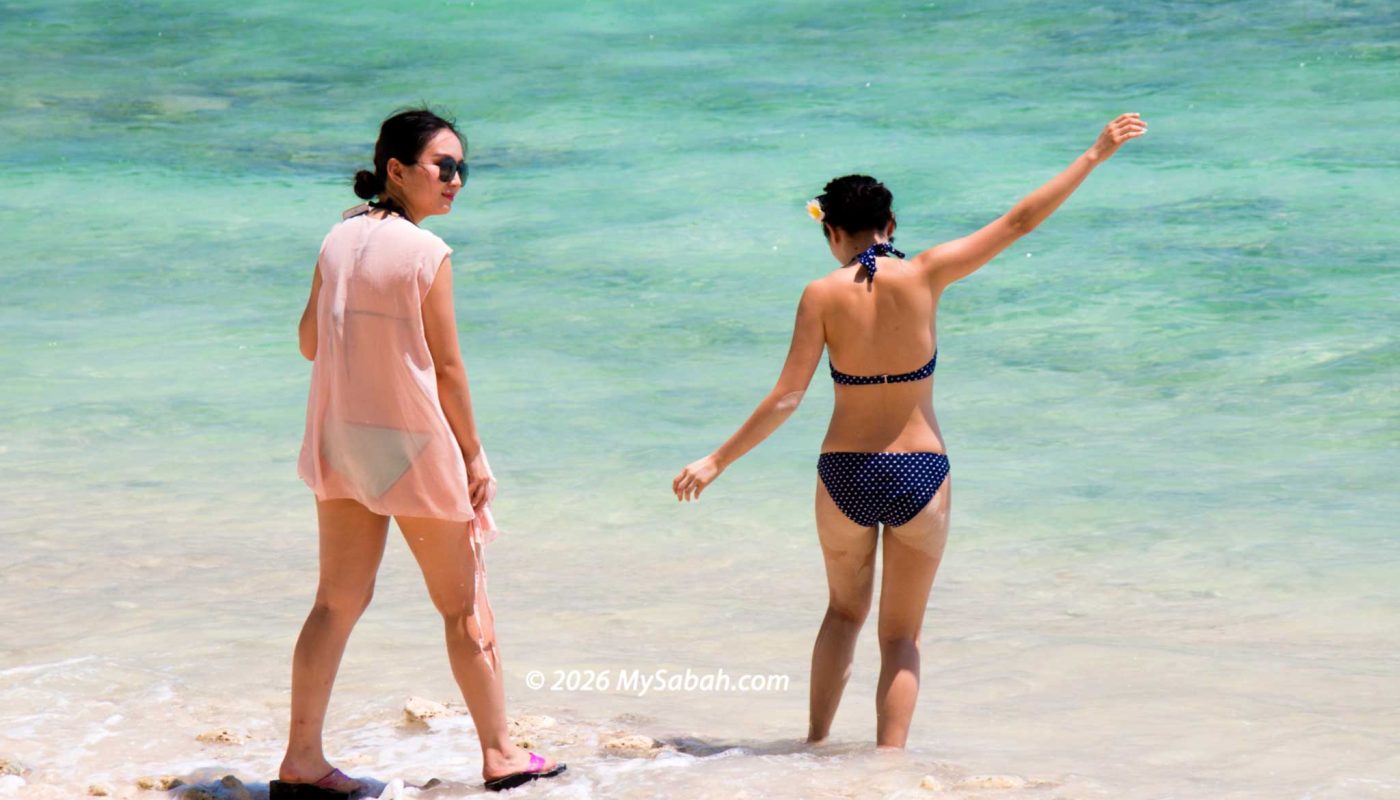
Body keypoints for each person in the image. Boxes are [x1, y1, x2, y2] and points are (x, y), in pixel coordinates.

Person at [672, 113, 1147, 748]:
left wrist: (716, 460)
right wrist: (1095, 153)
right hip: (921, 472)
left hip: (844, 473)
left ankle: (813, 748)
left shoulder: (820, 294)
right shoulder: (926, 273)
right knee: (901, 636)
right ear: (890, 226)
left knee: (842, 614)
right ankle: (887, 770)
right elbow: (1019, 222)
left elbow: (787, 397)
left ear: (834, 232)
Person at [277, 108, 564, 797]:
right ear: (396, 170)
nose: (456, 179)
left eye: (462, 167)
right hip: (413, 445)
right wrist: (473, 456)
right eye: (445, 165)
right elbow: (449, 369)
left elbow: (309, 342)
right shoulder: (429, 255)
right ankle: (500, 755)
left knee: (334, 604)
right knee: (465, 608)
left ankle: (301, 762)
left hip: (342, 442)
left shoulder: (337, 238)